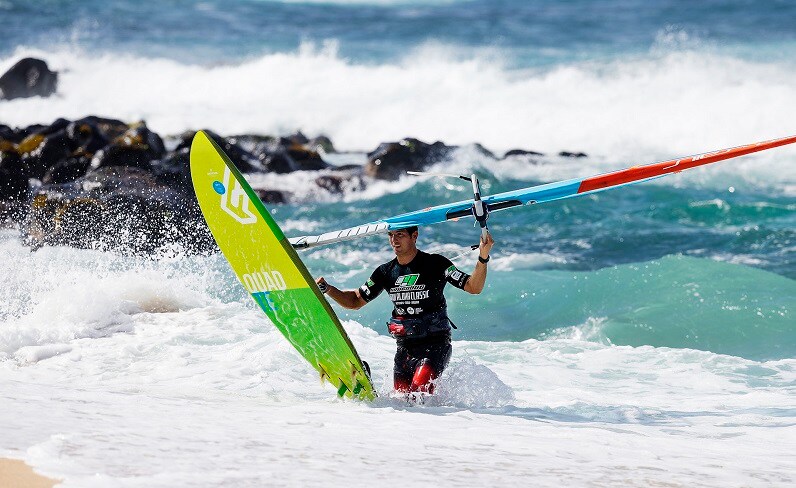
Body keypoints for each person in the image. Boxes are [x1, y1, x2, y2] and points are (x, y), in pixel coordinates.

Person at [315, 226, 494, 394]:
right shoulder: (385, 272)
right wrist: (329, 289)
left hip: (434, 346)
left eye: (400, 234)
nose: (394, 240)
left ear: (414, 236)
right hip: (405, 349)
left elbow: (473, 286)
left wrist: (483, 257)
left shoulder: (436, 264)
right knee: (401, 402)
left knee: (418, 395)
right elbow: (355, 300)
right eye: (391, 235)